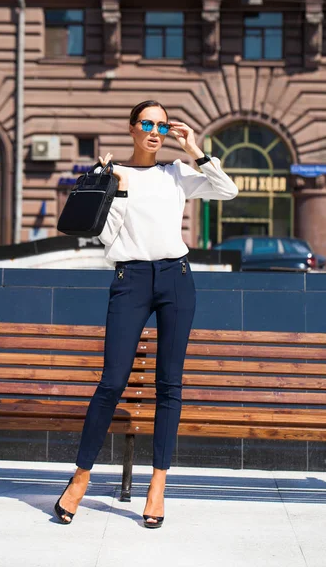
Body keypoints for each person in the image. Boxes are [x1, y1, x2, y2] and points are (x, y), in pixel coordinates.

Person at [54, 100, 238, 528]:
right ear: (132, 128)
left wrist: (194, 147)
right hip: (131, 278)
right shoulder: (116, 173)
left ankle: (158, 485)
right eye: (147, 124)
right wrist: (114, 185)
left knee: (169, 385)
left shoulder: (177, 172)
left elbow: (227, 190)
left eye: (162, 124)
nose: (155, 131)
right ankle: (80, 477)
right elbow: (107, 236)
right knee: (112, 381)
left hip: (176, 278)